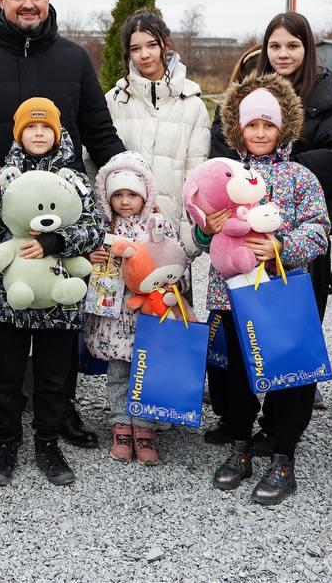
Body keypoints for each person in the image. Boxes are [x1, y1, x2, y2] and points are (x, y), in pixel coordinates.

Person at [0, 0, 126, 449]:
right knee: (7, 321)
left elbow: (99, 130)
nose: (28, 4)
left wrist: (126, 183)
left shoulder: (73, 59)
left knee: (60, 319)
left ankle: (59, 412)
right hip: (2, 217)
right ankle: (6, 425)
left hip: (62, 222)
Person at [208, 12, 332, 436]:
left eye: (293, 45)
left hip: (288, 247)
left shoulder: (326, 100)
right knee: (235, 349)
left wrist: (278, 171)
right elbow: (217, 167)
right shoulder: (244, 95)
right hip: (235, 266)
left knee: (288, 338)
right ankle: (237, 424)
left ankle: (281, 431)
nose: (283, 53)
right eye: (275, 45)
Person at [198, 74, 329, 505]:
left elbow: (319, 231)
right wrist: (206, 230)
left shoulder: (300, 177)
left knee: (289, 376)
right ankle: (239, 446)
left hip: (281, 294)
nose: (259, 133)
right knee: (232, 376)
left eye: (267, 124)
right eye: (251, 125)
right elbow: (201, 233)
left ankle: (283, 455)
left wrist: (281, 247)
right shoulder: (222, 175)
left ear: (282, 127)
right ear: (238, 129)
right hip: (230, 294)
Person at [0, 98, 104, 487]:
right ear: (18, 133)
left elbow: (95, 229)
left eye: (45, 127)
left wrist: (56, 241)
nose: (38, 133)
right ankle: (5, 444)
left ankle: (48, 443)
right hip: (7, 298)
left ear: (57, 133)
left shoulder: (74, 179)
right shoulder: (1, 177)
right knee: (5, 376)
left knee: (53, 377)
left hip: (59, 297)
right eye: (30, 127)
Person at [84, 150, 191, 465]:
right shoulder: (102, 229)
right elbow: (87, 267)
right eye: (118, 195)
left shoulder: (159, 226)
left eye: (132, 194)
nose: (125, 201)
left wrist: (173, 286)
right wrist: (92, 259)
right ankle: (121, 426)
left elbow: (179, 262)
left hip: (150, 315)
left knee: (146, 371)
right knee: (118, 373)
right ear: (108, 197)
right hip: (114, 318)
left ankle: (145, 428)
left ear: (145, 195)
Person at [103, 7, 210, 261]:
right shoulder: (114, 101)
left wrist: (187, 243)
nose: (144, 54)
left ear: (165, 44)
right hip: (121, 239)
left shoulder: (192, 105)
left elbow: (196, 178)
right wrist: (103, 232)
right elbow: (97, 169)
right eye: (135, 48)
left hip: (170, 239)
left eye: (151, 45)